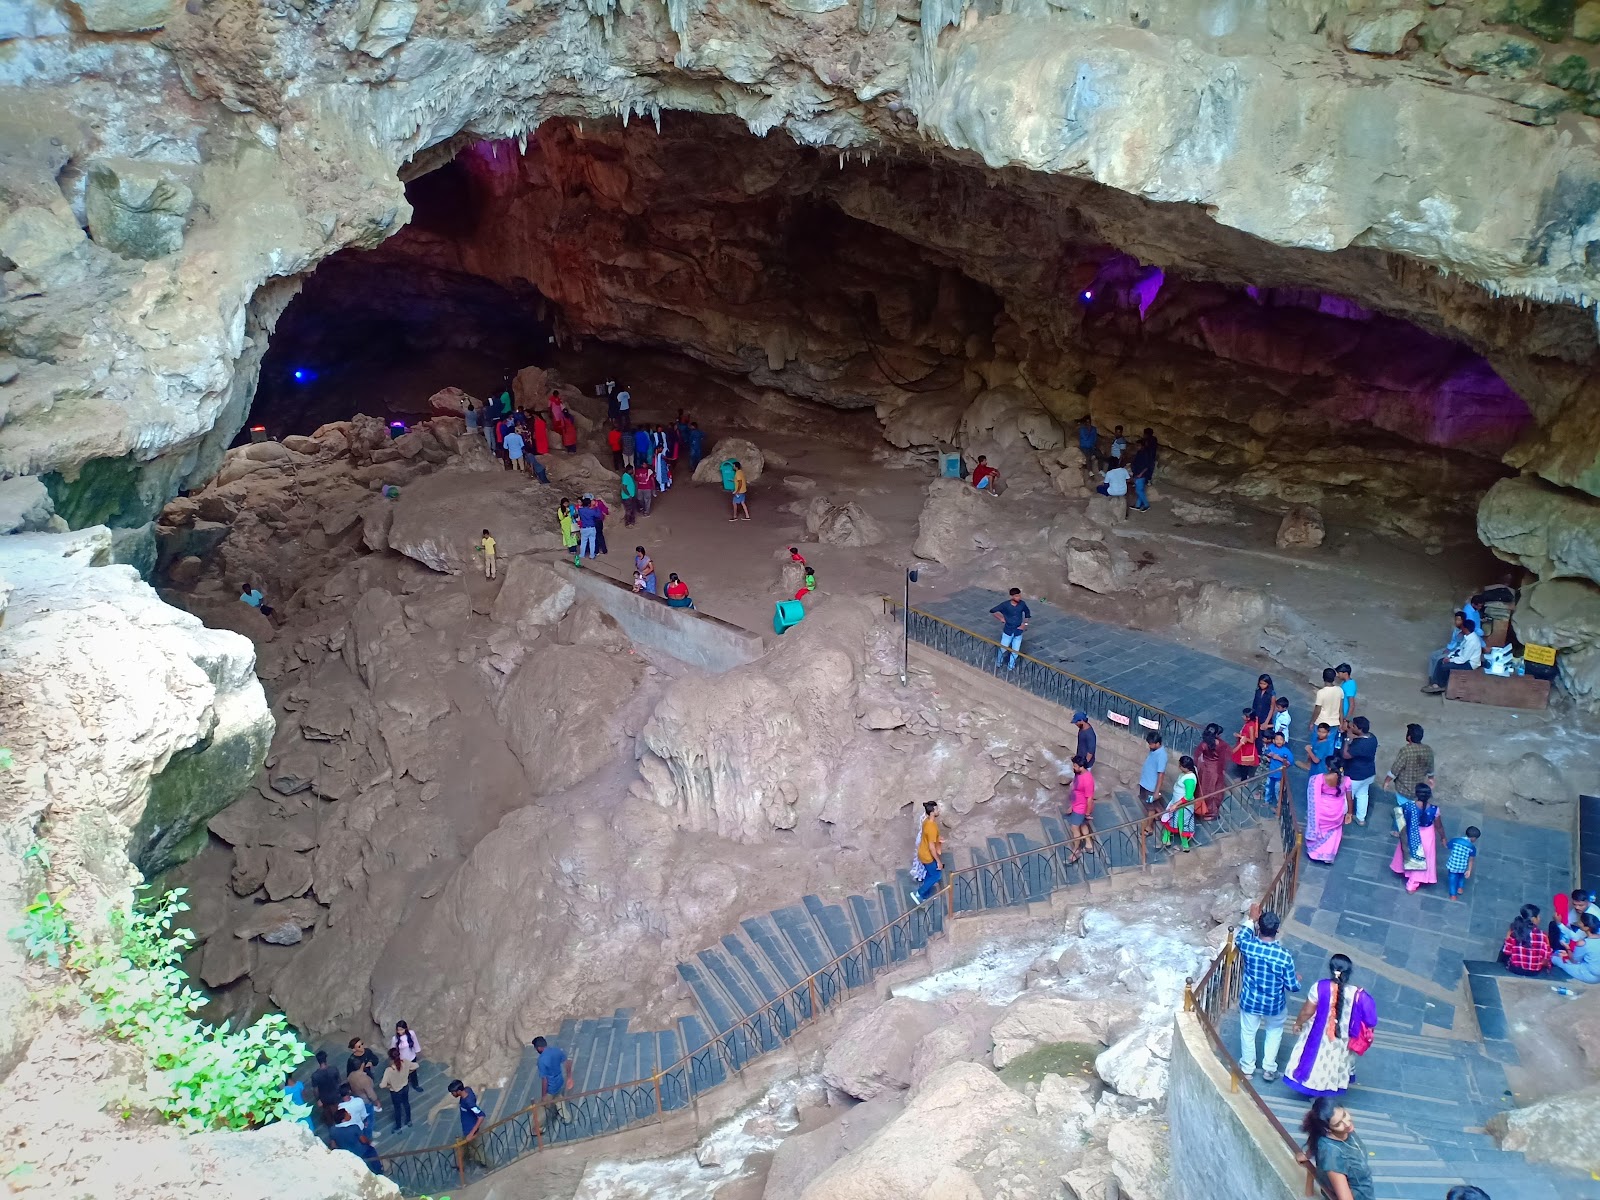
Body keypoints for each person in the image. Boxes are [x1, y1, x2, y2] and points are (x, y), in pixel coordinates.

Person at [1284, 955, 1377, 1098]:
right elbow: (1371, 1020)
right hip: (1344, 1040)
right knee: (1337, 1062)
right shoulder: (1359, 994)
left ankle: (1313, 1086)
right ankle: (1329, 1088)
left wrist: (1298, 1023)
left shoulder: (1319, 987)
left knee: (1315, 1060)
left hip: (1318, 1036)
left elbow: (1307, 1011)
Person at [1236, 903, 1301, 1082]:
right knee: (1274, 1031)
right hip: (1274, 1004)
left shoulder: (1249, 946)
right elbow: (1293, 986)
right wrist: (1296, 979)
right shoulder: (1284, 956)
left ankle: (1247, 1069)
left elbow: (1240, 937)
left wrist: (1251, 919)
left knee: (1248, 1033)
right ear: (1277, 930)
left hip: (1250, 1000)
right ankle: (1269, 1069)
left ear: (1259, 927)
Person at [1301, 1097, 1376, 1200]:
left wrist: (1306, 1155)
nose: (1347, 1123)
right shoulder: (1333, 1156)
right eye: (1338, 1124)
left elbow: (1314, 1138)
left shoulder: (1344, 1131)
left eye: (1344, 1115)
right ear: (1328, 1129)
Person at [1382, 724, 1434, 839]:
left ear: (1409, 737)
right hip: (1418, 787)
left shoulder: (1406, 750)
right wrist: (1431, 778)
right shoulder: (1428, 750)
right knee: (1413, 806)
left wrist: (1386, 781)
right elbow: (1430, 767)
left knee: (1401, 809)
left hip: (1403, 787)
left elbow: (1396, 769)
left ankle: (1397, 830)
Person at [1390, 783, 1439, 893]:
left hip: (1410, 832)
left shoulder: (1409, 806)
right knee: (1421, 858)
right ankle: (1412, 884)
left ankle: (1402, 869)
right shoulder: (1434, 809)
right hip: (1427, 835)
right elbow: (1439, 826)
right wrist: (1443, 837)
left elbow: (1397, 815)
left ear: (1416, 794)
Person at [1423, 612, 1483, 694]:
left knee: (1444, 666)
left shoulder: (1472, 642)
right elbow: (1459, 649)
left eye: (1463, 628)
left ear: (1466, 629)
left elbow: (1463, 659)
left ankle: (1441, 685)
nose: (1462, 629)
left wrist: (1450, 660)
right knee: (1441, 661)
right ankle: (1435, 684)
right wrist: (1450, 656)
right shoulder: (1468, 637)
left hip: (1469, 664)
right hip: (1463, 658)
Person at [1305, 765, 1353, 865]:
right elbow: (1349, 798)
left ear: (1328, 767)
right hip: (1337, 811)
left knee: (1320, 829)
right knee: (1334, 832)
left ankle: (1315, 854)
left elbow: (1314, 794)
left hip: (1322, 810)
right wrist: (1349, 813)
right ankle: (1327, 856)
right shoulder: (1347, 780)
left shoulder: (1320, 778)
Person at [1339, 717, 1378, 827]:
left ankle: (1342, 816)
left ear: (1359, 729)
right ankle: (1361, 819)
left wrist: (1347, 740)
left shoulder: (1360, 745)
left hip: (1355, 775)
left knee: (1347, 796)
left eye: (1353, 726)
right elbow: (1359, 737)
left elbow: (1346, 755)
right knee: (1363, 794)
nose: (1351, 727)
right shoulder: (1372, 738)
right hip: (1369, 773)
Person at [533, 1035, 573, 1135]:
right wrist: (569, 1077)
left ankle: (538, 1128)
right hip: (560, 1082)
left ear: (539, 1048)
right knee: (558, 1098)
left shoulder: (541, 1060)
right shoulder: (556, 1051)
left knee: (542, 1108)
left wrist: (543, 1095)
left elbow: (544, 1080)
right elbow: (567, 1062)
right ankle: (567, 1118)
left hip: (551, 1088)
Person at [328, 1104, 385, 1174]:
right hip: (361, 1151)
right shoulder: (354, 1127)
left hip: (347, 1154)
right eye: (347, 1114)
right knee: (372, 1151)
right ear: (343, 1120)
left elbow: (333, 1145)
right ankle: (379, 1170)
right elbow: (363, 1141)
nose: (349, 1114)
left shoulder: (332, 1129)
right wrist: (369, 1142)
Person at [447, 1079, 491, 1169]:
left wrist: (471, 1133)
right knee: (463, 1147)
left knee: (477, 1151)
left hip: (470, 1131)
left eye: (453, 1092)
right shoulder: (467, 1090)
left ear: (459, 1091)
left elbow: (481, 1116)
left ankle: (488, 1166)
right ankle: (461, 1165)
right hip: (466, 1129)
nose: (452, 1094)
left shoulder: (469, 1103)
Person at [1500, 903, 1552, 976]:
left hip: (1515, 969)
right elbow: (1547, 956)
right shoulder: (1543, 935)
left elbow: (1507, 951)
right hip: (1534, 972)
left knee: (1505, 945)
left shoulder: (1515, 932)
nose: (1539, 919)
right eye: (1538, 917)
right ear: (1533, 919)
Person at [1160, 754, 1197, 852]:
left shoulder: (1190, 779)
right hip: (1175, 802)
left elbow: (1188, 796)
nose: (1179, 766)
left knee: (1182, 825)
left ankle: (1185, 846)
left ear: (1185, 767)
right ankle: (1166, 839)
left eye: (1180, 765)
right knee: (1169, 819)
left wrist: (1176, 804)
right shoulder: (1184, 774)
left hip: (1183, 807)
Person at [1064, 753, 1096, 864]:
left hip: (1081, 808)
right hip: (1077, 805)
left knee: (1074, 828)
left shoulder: (1087, 780)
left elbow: (1089, 798)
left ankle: (1076, 851)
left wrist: (1087, 813)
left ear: (1081, 767)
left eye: (1075, 766)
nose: (1073, 767)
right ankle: (1089, 844)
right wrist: (1072, 805)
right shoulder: (1078, 773)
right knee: (1082, 824)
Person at [911, 800, 943, 906]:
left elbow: (927, 837)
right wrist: (938, 861)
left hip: (922, 851)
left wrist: (938, 839)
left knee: (930, 873)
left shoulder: (926, 821)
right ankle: (919, 894)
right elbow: (931, 847)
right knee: (936, 875)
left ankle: (925, 894)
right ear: (932, 812)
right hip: (927, 855)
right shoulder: (931, 827)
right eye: (937, 809)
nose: (938, 810)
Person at [988, 588, 1031, 670]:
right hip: (1008, 631)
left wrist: (1025, 624)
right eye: (1016, 596)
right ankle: (999, 662)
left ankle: (1011, 666)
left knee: (1015, 651)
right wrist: (1001, 618)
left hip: (1018, 631)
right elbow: (993, 611)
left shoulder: (1022, 604)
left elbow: (1027, 613)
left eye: (1019, 595)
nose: (1019, 597)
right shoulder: (1005, 605)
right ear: (1012, 596)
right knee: (1002, 649)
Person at [1138, 731, 1169, 841]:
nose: (1149, 746)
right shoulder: (1153, 751)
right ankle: (1160, 815)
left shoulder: (1162, 756)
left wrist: (1156, 791)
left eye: (1151, 744)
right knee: (1149, 803)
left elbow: (1161, 774)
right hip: (1145, 783)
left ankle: (1149, 828)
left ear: (1158, 743)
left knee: (1150, 807)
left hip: (1151, 787)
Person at [1551, 889, 1599, 954]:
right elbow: (1568, 925)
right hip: (1577, 936)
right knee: (1553, 925)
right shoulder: (1577, 910)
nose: (1577, 907)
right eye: (1574, 904)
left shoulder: (1593, 914)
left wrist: (1559, 924)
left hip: (1591, 944)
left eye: (1580, 905)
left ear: (1588, 902)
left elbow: (1577, 937)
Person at [1556, 914, 1600, 983]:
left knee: (1555, 958)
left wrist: (1567, 948)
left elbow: (1574, 961)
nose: (1578, 923)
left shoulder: (1583, 943)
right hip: (1596, 972)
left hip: (1590, 975)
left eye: (1580, 922)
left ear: (1586, 928)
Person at [346, 1037, 382, 1116]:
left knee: (369, 1089)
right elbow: (349, 1073)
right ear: (354, 1049)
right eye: (359, 1046)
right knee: (365, 1094)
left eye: (362, 1044)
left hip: (368, 1075)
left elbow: (375, 1059)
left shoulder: (367, 1051)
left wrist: (371, 1062)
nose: (362, 1047)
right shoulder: (352, 1060)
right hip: (359, 1080)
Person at [379, 1046, 412, 1132]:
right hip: (405, 1087)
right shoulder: (405, 1062)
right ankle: (408, 1120)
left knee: (397, 1108)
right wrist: (408, 1073)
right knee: (406, 1103)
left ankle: (398, 1126)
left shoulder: (389, 1070)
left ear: (390, 1058)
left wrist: (389, 1086)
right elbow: (416, 1066)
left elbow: (382, 1085)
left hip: (396, 1092)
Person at [1444, 826, 1480, 900]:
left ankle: (1453, 895)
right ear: (1473, 838)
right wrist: (1469, 870)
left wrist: (1444, 841)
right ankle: (1460, 888)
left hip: (1452, 865)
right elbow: (1471, 860)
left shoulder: (1455, 840)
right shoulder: (1472, 847)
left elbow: (1448, 846)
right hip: (1462, 866)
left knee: (1452, 879)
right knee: (1461, 877)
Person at [1263, 729, 1294, 813]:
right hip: (1271, 772)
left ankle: (1278, 805)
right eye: (1277, 739)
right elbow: (1267, 752)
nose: (1278, 741)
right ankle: (1267, 801)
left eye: (1281, 739)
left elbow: (1289, 763)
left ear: (1284, 741)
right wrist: (1268, 756)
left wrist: (1279, 758)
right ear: (1273, 740)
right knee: (1268, 787)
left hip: (1280, 775)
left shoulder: (1286, 751)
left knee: (1278, 790)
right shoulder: (1271, 747)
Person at [390, 1021, 423, 1093]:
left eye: (401, 1029)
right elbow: (393, 1050)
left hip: (411, 1057)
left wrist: (417, 1051)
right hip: (402, 1059)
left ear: (405, 1028)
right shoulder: (395, 1039)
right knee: (403, 1073)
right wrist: (394, 1059)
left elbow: (415, 1043)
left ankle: (415, 1085)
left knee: (413, 1072)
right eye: (398, 1030)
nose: (400, 1032)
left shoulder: (411, 1034)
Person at [1129, 433, 1157, 511]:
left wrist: (1140, 474)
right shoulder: (1139, 453)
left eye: (1138, 446)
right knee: (1139, 490)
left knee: (1138, 490)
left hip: (1141, 475)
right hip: (1137, 473)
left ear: (1142, 446)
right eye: (1136, 445)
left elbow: (1147, 466)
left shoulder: (1145, 454)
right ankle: (1138, 505)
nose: (1137, 447)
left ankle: (1146, 505)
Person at [1231, 708, 1261, 781]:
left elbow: (1252, 740)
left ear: (1248, 718)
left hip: (1247, 749)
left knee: (1244, 765)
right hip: (1244, 746)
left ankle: (1244, 780)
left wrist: (1239, 736)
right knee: (1243, 764)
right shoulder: (1250, 723)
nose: (1242, 716)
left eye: (1244, 716)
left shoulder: (1250, 726)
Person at [1313, 668, 1344, 734]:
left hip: (1321, 723)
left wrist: (1312, 722)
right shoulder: (1340, 690)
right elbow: (1341, 709)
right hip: (1335, 723)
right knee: (1331, 740)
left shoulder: (1321, 692)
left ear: (1323, 677)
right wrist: (1341, 722)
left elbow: (1317, 710)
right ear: (1334, 678)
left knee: (1317, 740)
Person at [1335, 662, 1357, 726]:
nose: (1337, 675)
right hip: (1341, 716)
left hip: (1344, 717)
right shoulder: (1345, 683)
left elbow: (1352, 704)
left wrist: (1346, 720)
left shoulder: (1350, 685)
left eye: (1339, 673)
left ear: (1345, 673)